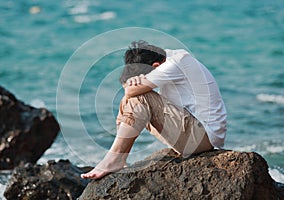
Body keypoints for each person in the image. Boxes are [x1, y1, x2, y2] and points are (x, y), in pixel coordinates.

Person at [81, 41, 227, 179]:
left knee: (140, 97)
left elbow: (130, 91)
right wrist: (132, 80)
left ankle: (115, 158)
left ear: (156, 65)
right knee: (132, 99)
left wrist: (132, 85)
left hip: (203, 138)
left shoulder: (175, 63)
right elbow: (128, 88)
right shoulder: (167, 55)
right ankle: (118, 157)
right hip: (193, 134)